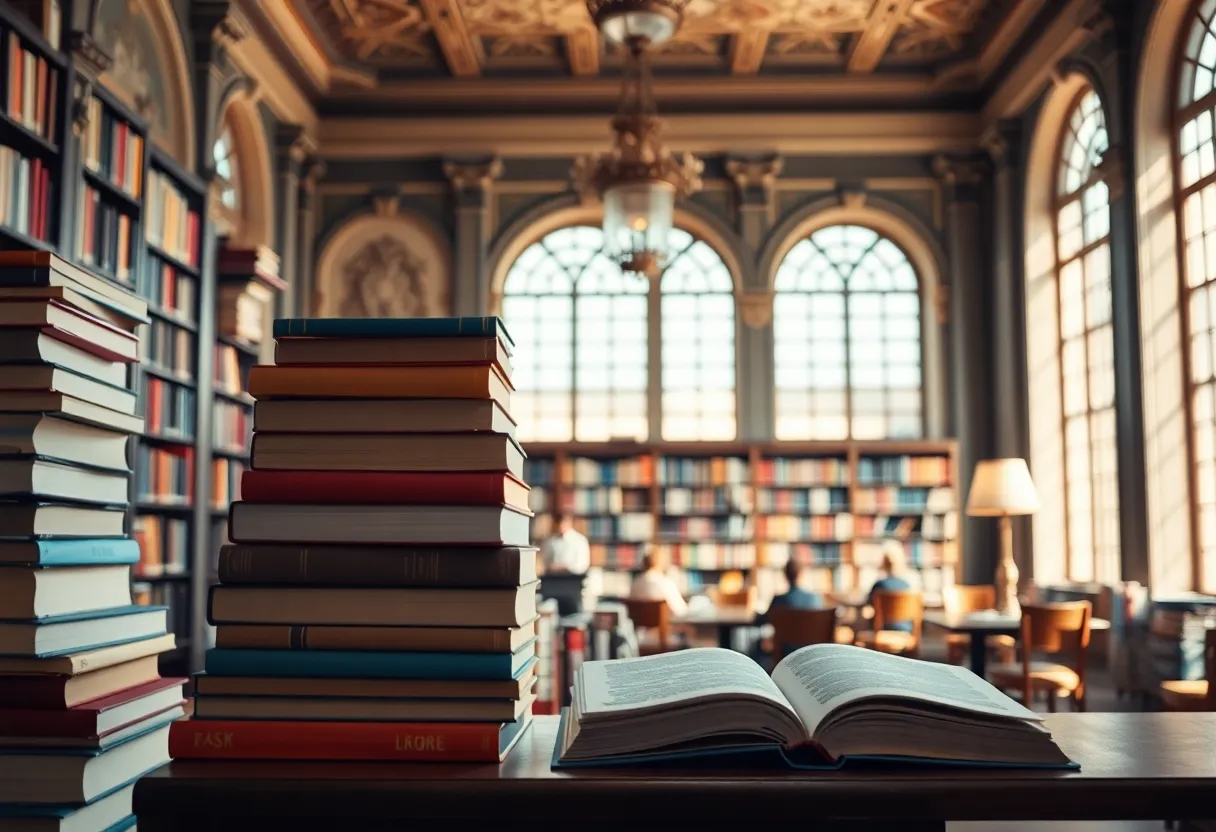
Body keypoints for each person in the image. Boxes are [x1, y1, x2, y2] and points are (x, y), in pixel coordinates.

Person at [540, 514, 590, 616]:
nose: (561, 526)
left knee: (572, 613)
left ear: (569, 523)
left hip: (572, 583)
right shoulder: (550, 541)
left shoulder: (579, 541)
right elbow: (545, 562)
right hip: (553, 582)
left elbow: (583, 565)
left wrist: (566, 567)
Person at [756, 559, 824, 626]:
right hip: (811, 637)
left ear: (785, 575)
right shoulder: (815, 599)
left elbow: (762, 620)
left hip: (785, 637)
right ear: (802, 574)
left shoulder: (778, 601)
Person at [867, 545, 914, 633]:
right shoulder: (907, 585)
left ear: (883, 563)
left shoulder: (879, 584)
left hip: (885, 630)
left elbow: (868, 607)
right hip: (906, 631)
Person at [630, 549, 688, 617]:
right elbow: (680, 611)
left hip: (640, 625)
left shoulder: (635, 583)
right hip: (665, 625)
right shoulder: (665, 583)